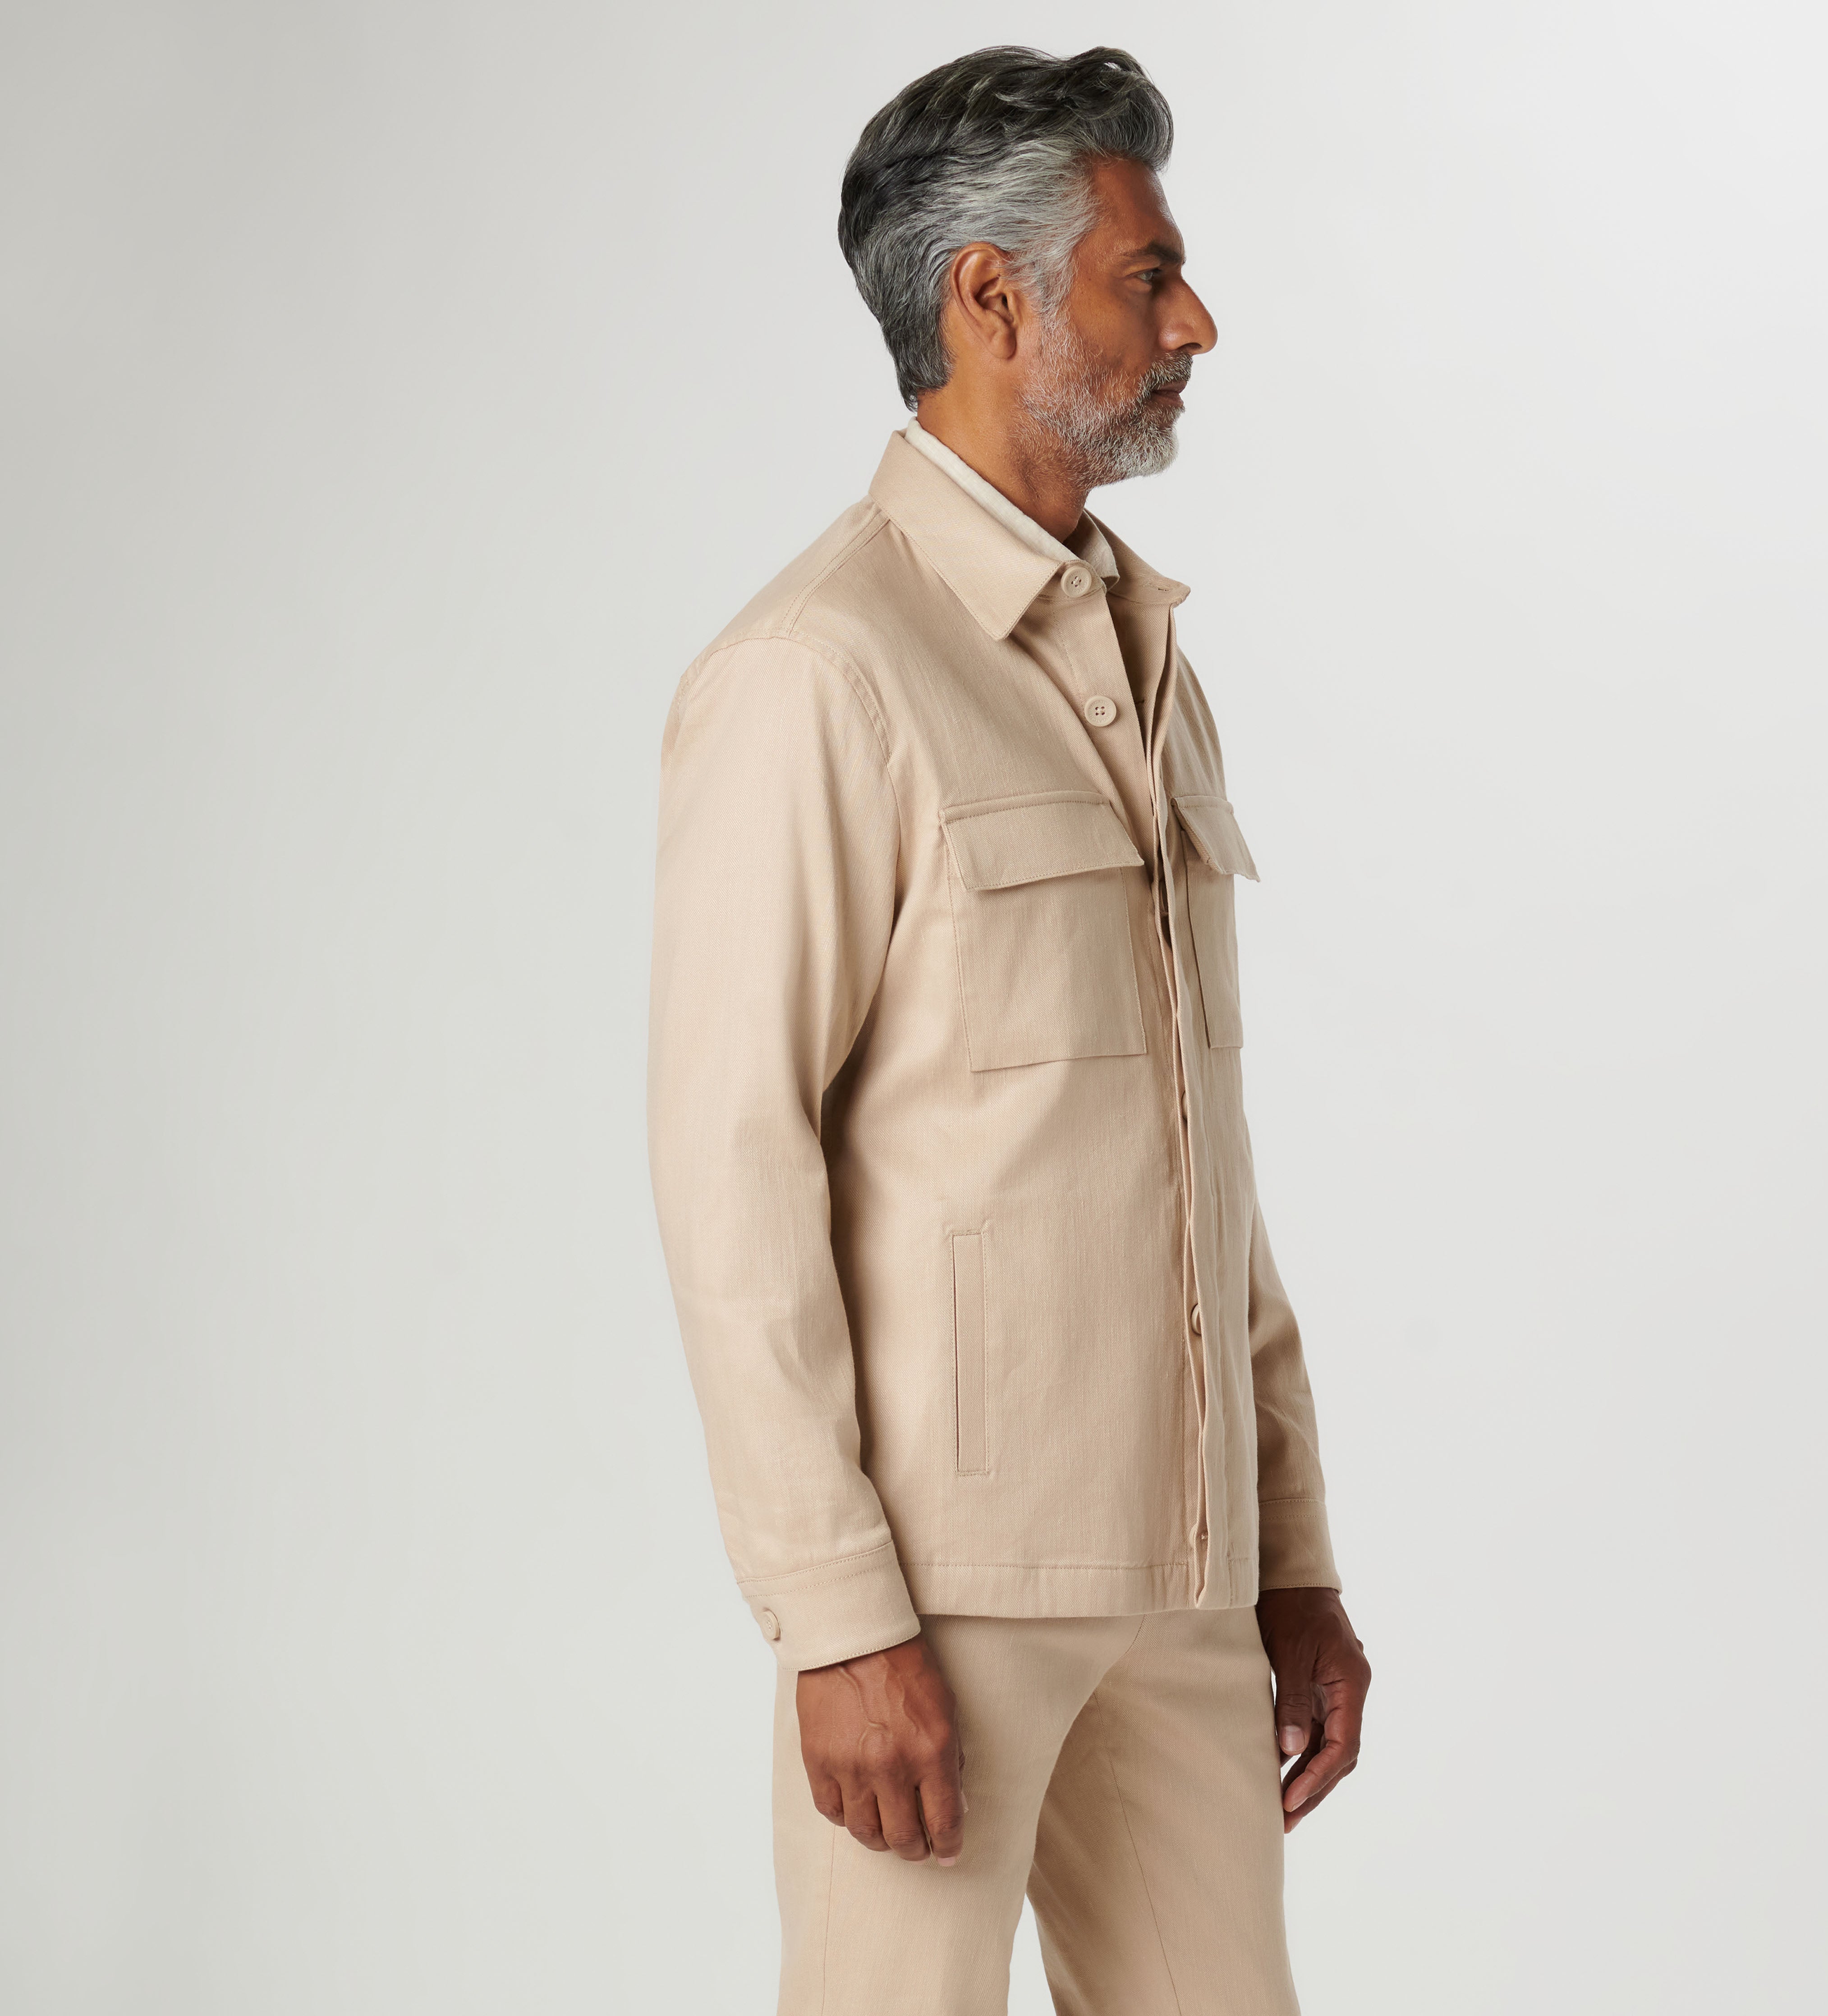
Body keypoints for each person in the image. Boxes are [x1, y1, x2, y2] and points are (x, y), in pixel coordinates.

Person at [647, 44, 1370, 2016]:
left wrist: (1287, 1548)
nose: (1194, 322)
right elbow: (731, 1174)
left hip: (1184, 1584)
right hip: (940, 1602)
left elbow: (1202, 1161)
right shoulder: (818, 671)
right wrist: (834, 1615)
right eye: (1150, 275)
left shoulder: (1147, 663)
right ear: (989, 297)